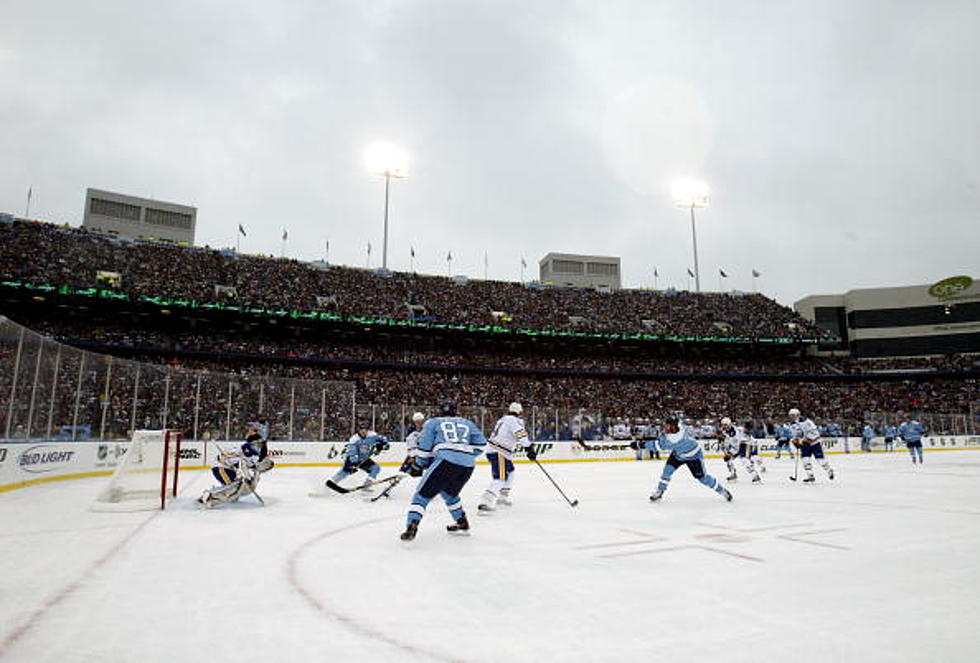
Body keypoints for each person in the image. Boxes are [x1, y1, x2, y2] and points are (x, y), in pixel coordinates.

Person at [400, 402, 488, 541]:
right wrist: (465, 455)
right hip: (467, 466)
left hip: (445, 462)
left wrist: (418, 465)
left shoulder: (433, 422)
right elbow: (482, 445)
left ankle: (411, 526)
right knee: (449, 494)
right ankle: (462, 522)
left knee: (421, 495)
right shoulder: (467, 423)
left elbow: (424, 448)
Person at [647, 414, 732, 502]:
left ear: (673, 426)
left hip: (694, 457)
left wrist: (639, 445)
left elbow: (657, 446)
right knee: (667, 471)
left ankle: (722, 491)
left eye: (667, 425)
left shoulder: (673, 439)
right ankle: (660, 491)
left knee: (703, 478)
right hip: (678, 455)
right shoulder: (680, 427)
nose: (665, 427)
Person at [198, 419, 274, 508]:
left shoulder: (254, 449)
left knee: (236, 489)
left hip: (227, 467)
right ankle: (208, 497)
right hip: (221, 467)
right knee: (235, 487)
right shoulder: (249, 448)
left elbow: (248, 463)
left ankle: (217, 496)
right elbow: (243, 462)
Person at [479, 402, 533, 513]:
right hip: (499, 452)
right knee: (500, 478)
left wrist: (528, 448)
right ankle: (485, 502)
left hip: (498, 451)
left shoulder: (503, 419)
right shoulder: (514, 420)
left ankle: (502, 497)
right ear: (519, 412)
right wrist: (528, 447)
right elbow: (520, 434)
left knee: (511, 471)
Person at [327, 423, 389, 493]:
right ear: (358, 431)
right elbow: (352, 452)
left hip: (364, 459)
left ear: (367, 430)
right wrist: (353, 464)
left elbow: (383, 439)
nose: (363, 432)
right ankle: (332, 482)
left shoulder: (372, 435)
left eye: (365, 430)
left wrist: (382, 444)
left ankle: (366, 485)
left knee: (375, 468)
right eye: (361, 430)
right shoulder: (354, 439)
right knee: (346, 471)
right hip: (352, 458)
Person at [789, 408, 835, 483]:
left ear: (798, 415)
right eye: (790, 416)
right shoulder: (793, 425)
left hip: (814, 443)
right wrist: (795, 442)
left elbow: (814, 433)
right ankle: (810, 476)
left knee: (820, 460)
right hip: (804, 444)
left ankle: (829, 470)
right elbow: (795, 435)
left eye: (793, 415)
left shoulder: (807, 422)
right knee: (805, 460)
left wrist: (807, 441)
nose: (791, 417)